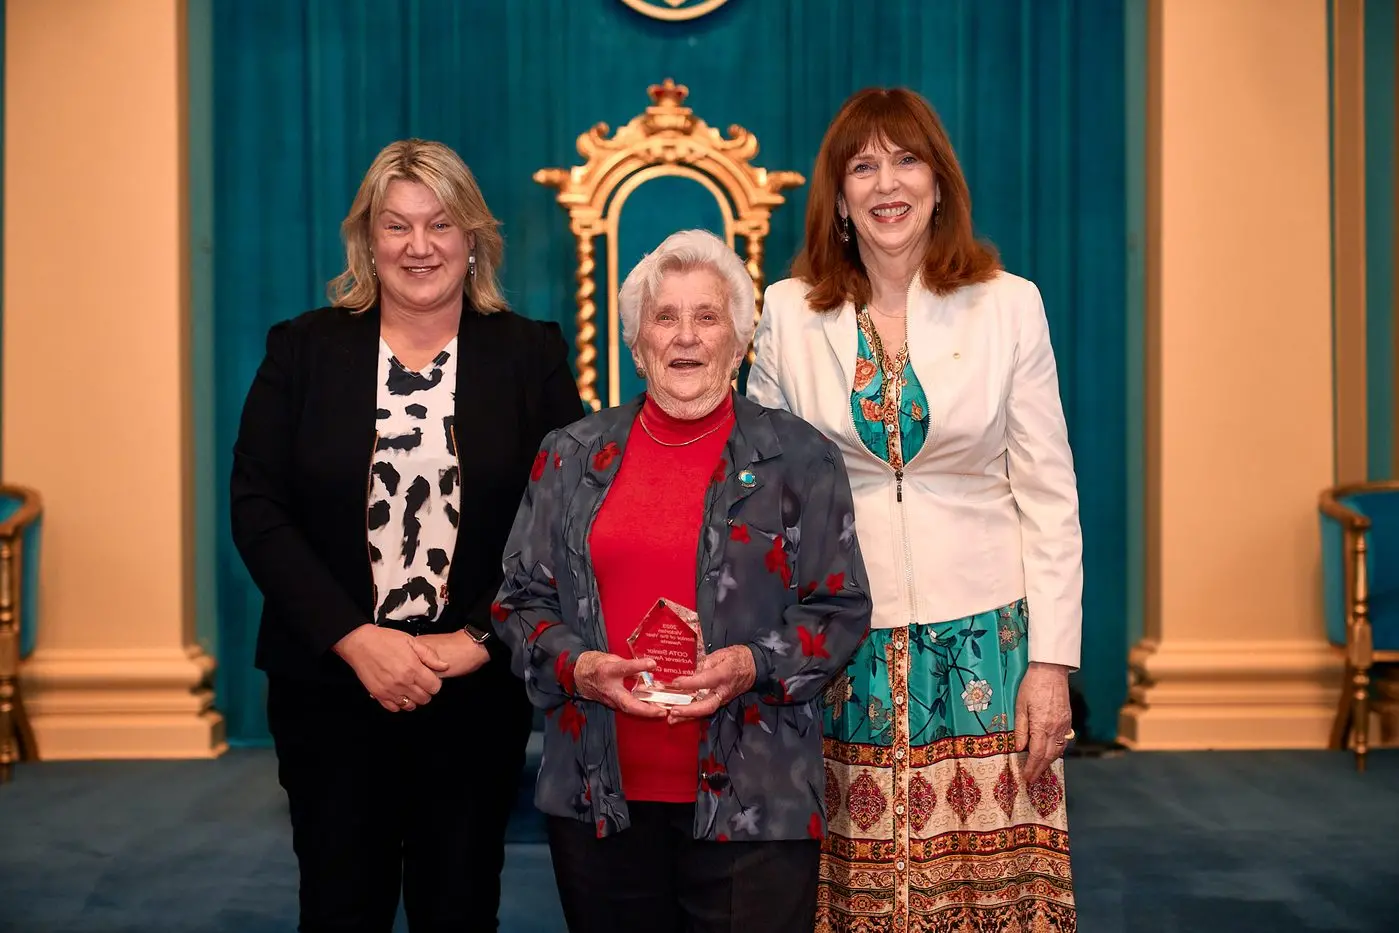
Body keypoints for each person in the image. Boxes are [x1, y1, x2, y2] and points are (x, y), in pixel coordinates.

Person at [747, 88, 1083, 931]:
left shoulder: (1008, 304)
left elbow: (1048, 493)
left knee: (988, 880)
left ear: (939, 184)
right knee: (853, 880)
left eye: (905, 160)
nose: (886, 183)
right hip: (842, 640)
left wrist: (1051, 664)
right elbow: (761, 494)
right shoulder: (787, 311)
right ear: (839, 197)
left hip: (987, 638)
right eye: (862, 167)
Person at [230, 138, 582, 932]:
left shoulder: (529, 353)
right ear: (367, 238)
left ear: (472, 238)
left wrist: (481, 635)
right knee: (338, 904)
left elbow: (563, 516)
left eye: (440, 224)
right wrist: (356, 640)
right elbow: (257, 506)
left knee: (459, 905)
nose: (419, 246)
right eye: (396, 225)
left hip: (471, 686)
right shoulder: (302, 348)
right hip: (330, 681)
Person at [492, 229, 872, 933]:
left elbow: (839, 607)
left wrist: (750, 663)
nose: (686, 336)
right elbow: (519, 601)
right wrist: (580, 667)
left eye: (707, 316)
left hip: (757, 800)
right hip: (597, 797)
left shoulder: (799, 458)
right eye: (664, 317)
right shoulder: (571, 455)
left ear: (739, 338)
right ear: (637, 343)